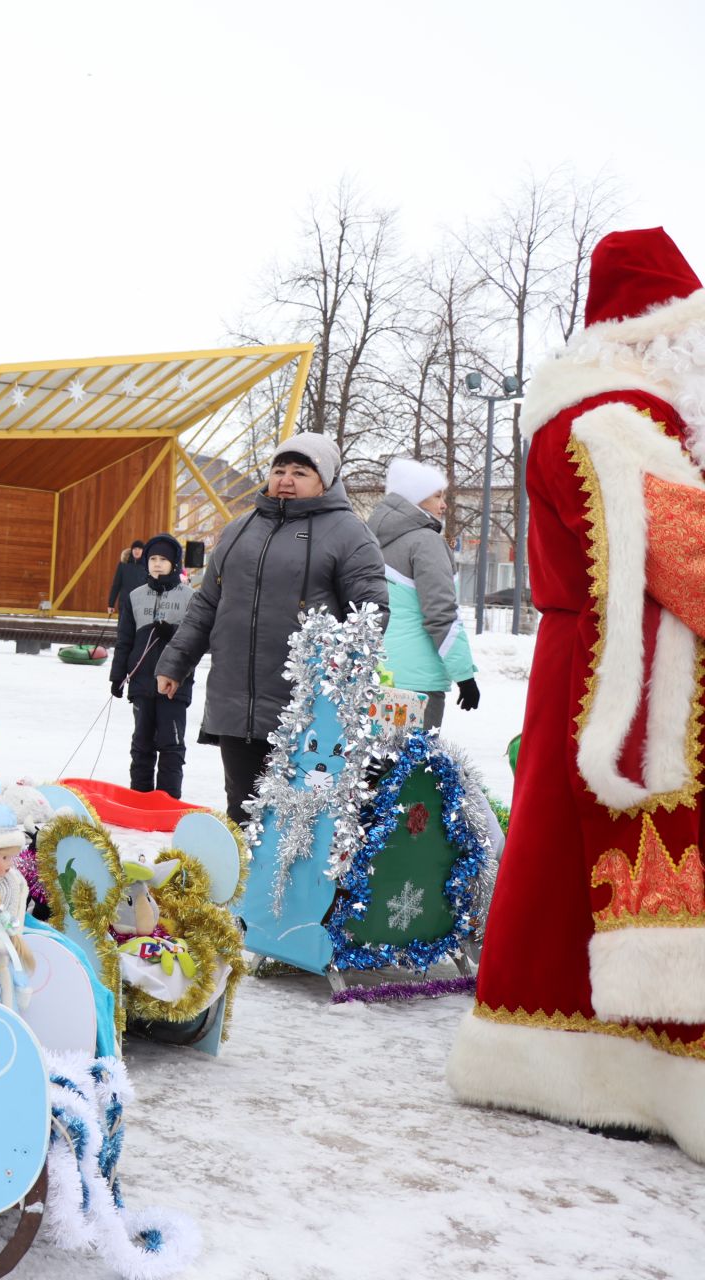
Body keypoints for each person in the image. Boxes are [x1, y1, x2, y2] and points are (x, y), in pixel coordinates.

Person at [448, 227, 705, 1159]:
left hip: (599, 666)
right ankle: (630, 1074)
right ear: (660, 331)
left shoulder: (599, 409)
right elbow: (684, 557)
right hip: (626, 677)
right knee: (604, 859)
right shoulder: (619, 416)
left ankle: (563, 1057)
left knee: (562, 859)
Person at [154, 433, 387, 825]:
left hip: (306, 709)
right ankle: (248, 888)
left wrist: (335, 673)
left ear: (325, 480)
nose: (286, 479)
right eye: (279, 469)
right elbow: (207, 603)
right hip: (236, 702)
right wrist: (175, 662)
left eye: (300, 472)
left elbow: (371, 613)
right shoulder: (239, 529)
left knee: (299, 822)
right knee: (244, 813)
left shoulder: (349, 534)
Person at [367, 457, 478, 730]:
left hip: (378, 673)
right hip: (417, 682)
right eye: (437, 496)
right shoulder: (426, 542)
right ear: (415, 498)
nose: (444, 505)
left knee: (378, 767)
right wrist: (464, 675)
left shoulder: (370, 539)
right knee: (414, 767)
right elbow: (441, 614)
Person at [111, 533, 193, 797]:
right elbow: (124, 639)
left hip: (174, 684)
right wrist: (118, 676)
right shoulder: (135, 596)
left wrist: (172, 632)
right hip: (141, 682)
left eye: (163, 559)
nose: (157, 564)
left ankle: (168, 799)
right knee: (142, 744)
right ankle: (140, 796)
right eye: (153, 558)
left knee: (171, 745)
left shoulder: (189, 596)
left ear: (174, 563)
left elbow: (200, 638)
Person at [106, 539, 149, 615]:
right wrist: (111, 604)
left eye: (139, 549)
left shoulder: (147, 566)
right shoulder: (123, 565)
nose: (137, 551)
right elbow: (116, 585)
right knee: (123, 626)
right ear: (131, 550)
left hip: (141, 605)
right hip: (125, 604)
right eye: (135, 549)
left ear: (143, 551)